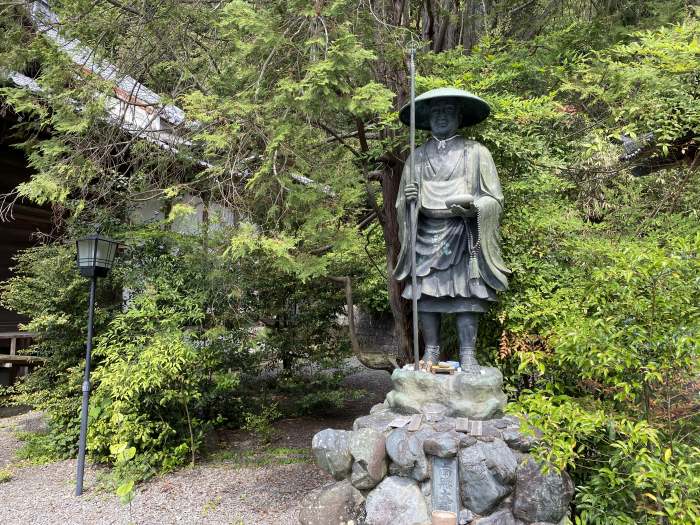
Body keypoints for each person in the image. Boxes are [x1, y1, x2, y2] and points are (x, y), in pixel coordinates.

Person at [394, 87, 510, 372]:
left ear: (459, 116)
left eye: (448, 111)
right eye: (436, 112)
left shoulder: (477, 153)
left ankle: (467, 353)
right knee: (427, 294)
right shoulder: (417, 157)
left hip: (463, 233)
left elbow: (494, 198)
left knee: (466, 295)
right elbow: (401, 203)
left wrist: (476, 208)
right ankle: (431, 351)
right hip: (426, 235)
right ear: (427, 118)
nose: (442, 117)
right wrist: (410, 204)